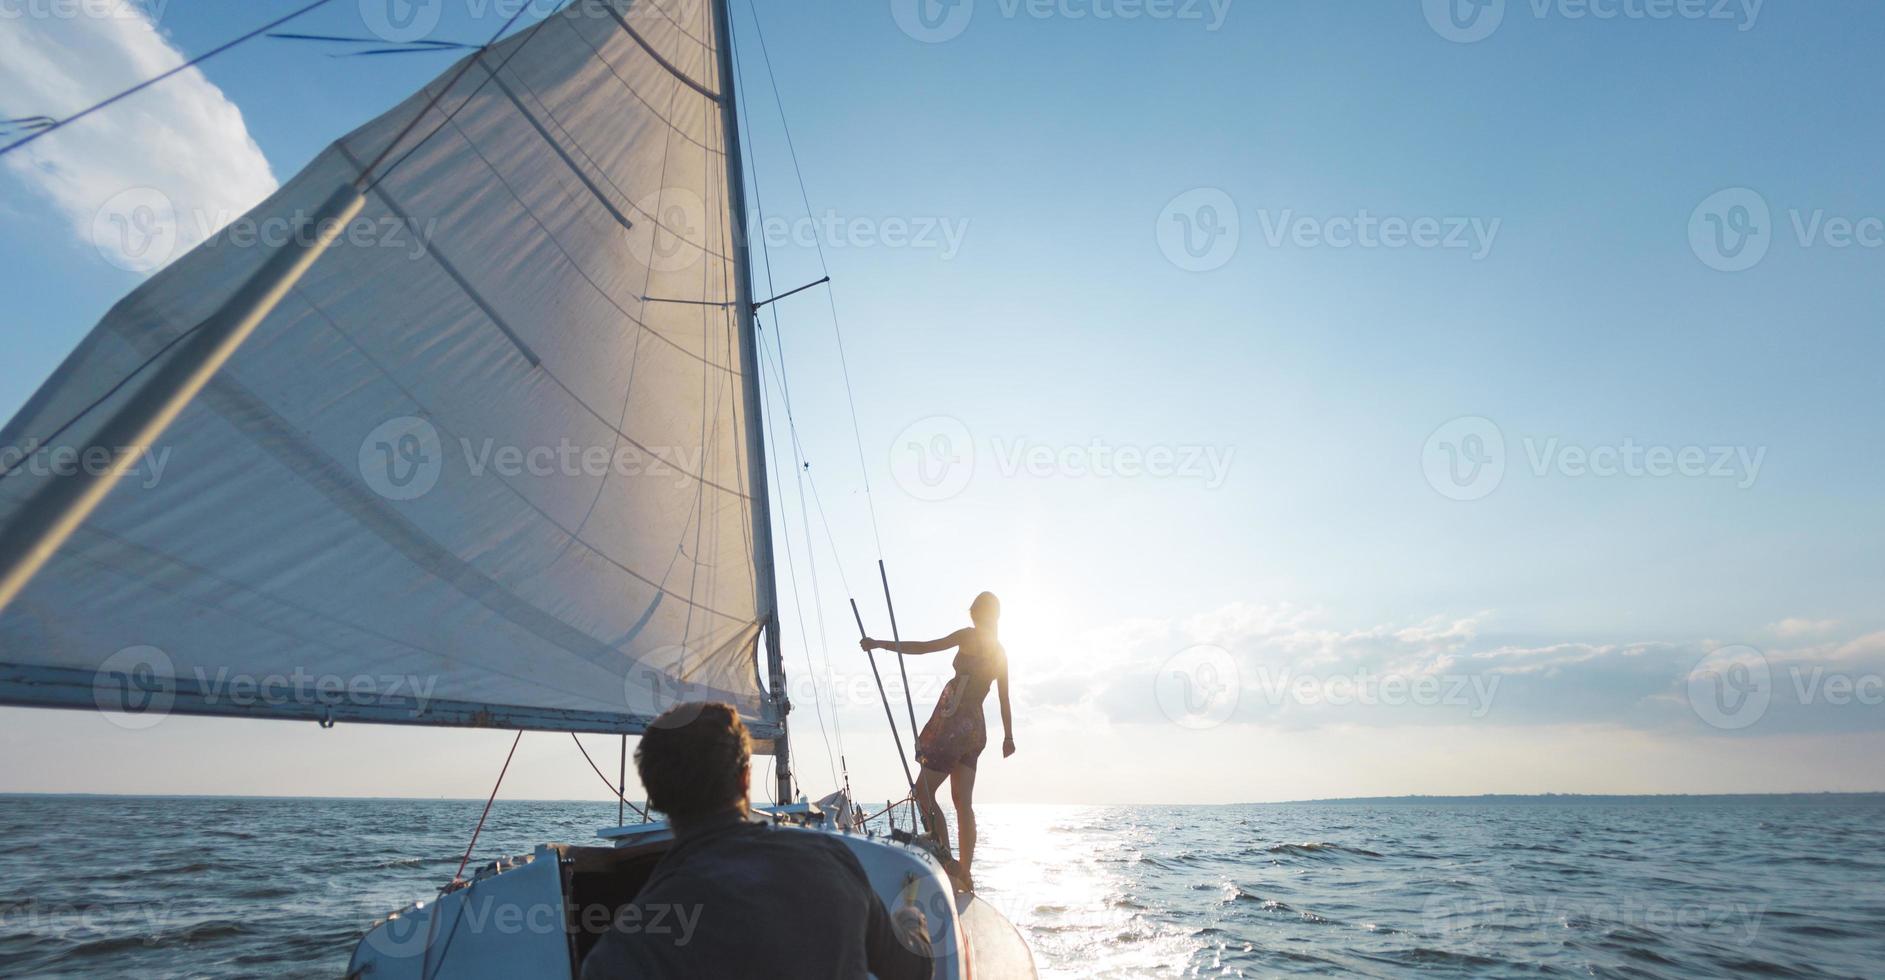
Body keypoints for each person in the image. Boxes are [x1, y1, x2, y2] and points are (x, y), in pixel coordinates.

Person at [581, 702, 932, 980]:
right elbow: (914, 970)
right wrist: (909, 921)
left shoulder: (626, 949)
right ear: (745, 779)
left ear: (654, 797)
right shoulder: (831, 862)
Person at [861, 591, 1013, 893]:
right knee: (962, 802)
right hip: (976, 728)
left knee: (923, 793)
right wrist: (1008, 736)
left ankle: (945, 861)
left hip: (955, 725)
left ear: (976, 613)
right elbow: (1003, 698)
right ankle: (964, 875)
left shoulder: (969, 636)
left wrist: (881, 644)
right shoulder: (1000, 650)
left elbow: (924, 648)